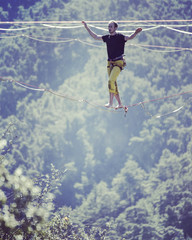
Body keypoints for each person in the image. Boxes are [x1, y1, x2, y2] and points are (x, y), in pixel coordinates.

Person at [82, 20, 142, 109]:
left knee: (110, 81)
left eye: (111, 26)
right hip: (110, 63)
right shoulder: (107, 38)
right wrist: (87, 27)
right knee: (113, 82)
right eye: (108, 27)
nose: (109, 28)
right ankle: (120, 104)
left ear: (115, 28)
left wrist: (136, 32)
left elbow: (129, 37)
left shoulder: (120, 37)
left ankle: (110, 103)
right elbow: (95, 37)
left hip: (119, 62)